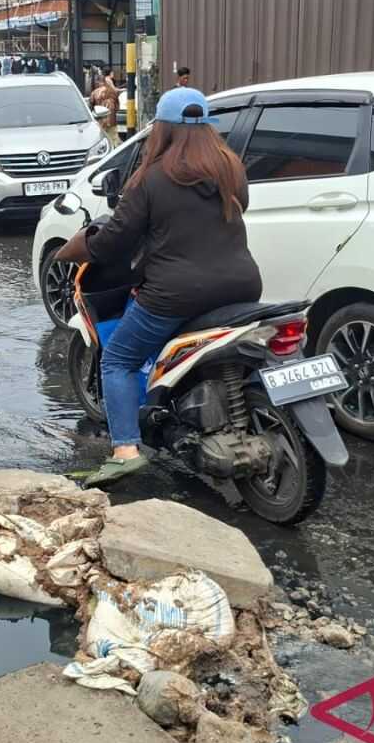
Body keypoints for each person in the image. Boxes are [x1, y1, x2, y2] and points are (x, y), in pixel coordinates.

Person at [54, 87, 262, 487]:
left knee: (117, 359)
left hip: (175, 292)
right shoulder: (230, 167)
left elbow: (116, 238)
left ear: (162, 130)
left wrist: (83, 247)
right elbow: (241, 207)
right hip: (242, 284)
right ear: (207, 128)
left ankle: (126, 450)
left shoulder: (151, 178)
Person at [90, 67, 120, 149]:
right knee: (113, 139)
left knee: (100, 141)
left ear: (99, 82)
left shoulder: (94, 93)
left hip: (100, 122)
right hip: (112, 120)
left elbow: (91, 108)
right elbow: (117, 107)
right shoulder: (113, 92)